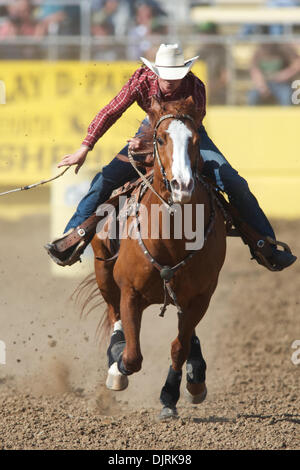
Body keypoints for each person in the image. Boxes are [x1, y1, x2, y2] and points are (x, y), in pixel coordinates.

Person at [45, 44, 296, 271]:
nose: (171, 83)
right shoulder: (141, 80)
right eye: (167, 77)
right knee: (105, 180)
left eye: (176, 77)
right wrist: (85, 147)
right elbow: (112, 110)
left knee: (234, 183)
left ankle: (266, 246)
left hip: (188, 133)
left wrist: (146, 145)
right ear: (156, 72)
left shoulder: (195, 86)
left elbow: (189, 131)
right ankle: (72, 238)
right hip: (151, 130)